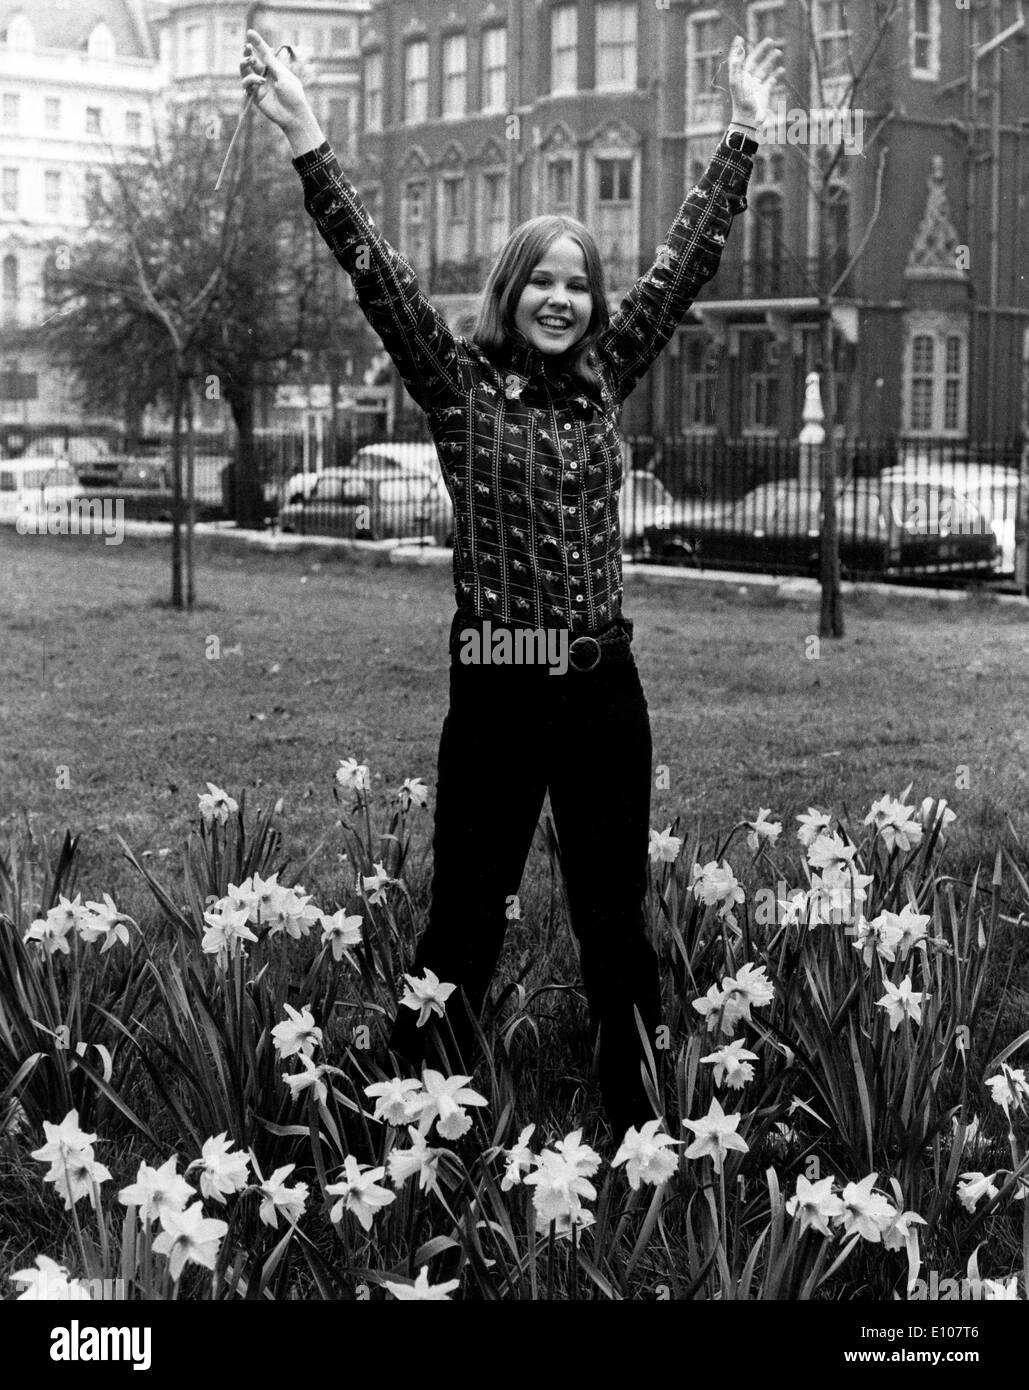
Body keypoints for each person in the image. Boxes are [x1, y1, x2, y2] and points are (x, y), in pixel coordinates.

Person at [241, 28, 784, 1142]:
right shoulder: (459, 387)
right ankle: (415, 1126)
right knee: (464, 923)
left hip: (601, 690)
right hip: (496, 686)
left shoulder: (604, 378)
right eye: (541, 278)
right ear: (510, 290)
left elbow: (680, 272)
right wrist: (309, 140)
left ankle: (641, 1120)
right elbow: (377, 275)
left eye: (577, 283)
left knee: (613, 923)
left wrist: (739, 139)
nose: (561, 297)